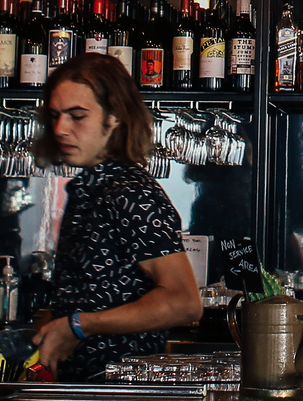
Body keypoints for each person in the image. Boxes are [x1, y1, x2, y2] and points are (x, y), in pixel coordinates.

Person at [28, 53, 201, 379]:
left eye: (77, 116)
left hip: (120, 397)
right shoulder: (88, 189)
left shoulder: (132, 193)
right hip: (79, 392)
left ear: (115, 117)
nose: (61, 129)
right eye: (54, 116)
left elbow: (184, 302)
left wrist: (78, 326)